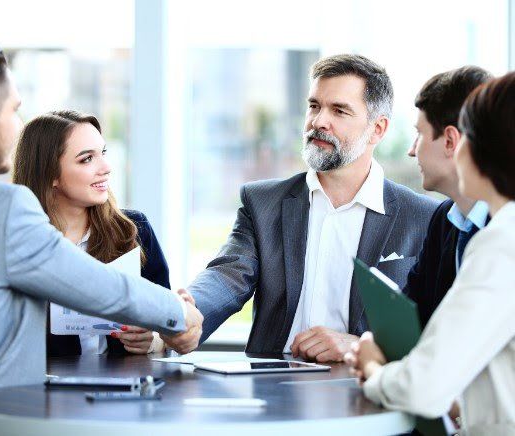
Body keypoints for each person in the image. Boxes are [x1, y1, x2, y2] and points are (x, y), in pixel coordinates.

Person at [0, 42, 202, 434]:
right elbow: (101, 288)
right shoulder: (3, 208)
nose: (17, 125)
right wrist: (178, 311)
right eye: (14, 110)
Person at [187, 54, 438, 361]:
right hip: (275, 391)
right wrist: (182, 312)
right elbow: (226, 277)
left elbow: (434, 332)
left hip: (366, 390)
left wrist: (360, 346)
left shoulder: (424, 219)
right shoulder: (263, 203)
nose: (319, 121)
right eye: (314, 106)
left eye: (339, 110)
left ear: (378, 129)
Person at [345, 72, 515, 435]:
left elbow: (422, 389)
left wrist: (375, 369)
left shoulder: (502, 243)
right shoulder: (470, 227)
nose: (411, 149)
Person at [13, 110, 168, 357]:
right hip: (46, 391)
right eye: (87, 159)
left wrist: (154, 342)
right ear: (50, 174)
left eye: (103, 153)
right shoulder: (17, 245)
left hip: (124, 389)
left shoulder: (134, 230)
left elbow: (166, 324)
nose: (106, 168)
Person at [404, 66, 492, 327]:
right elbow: (412, 315)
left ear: (450, 141)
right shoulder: (444, 219)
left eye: (419, 134)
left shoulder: (505, 228)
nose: (411, 150)